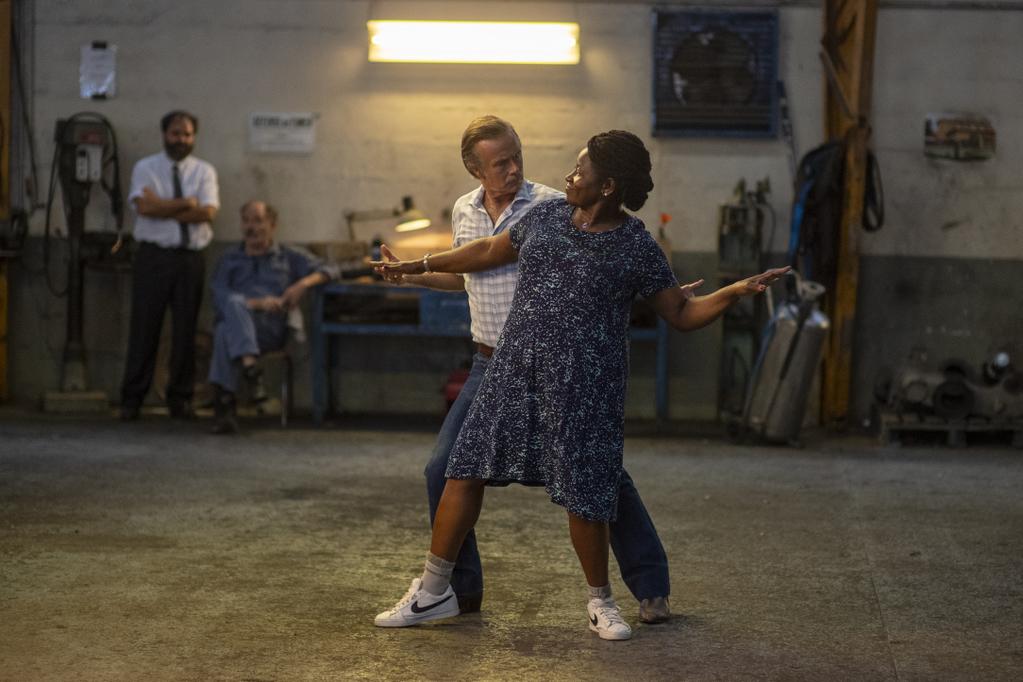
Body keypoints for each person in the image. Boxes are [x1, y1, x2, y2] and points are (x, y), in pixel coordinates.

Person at [373, 129, 788, 640]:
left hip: (583, 384)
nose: (569, 176)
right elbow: (486, 251)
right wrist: (417, 266)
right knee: (459, 469)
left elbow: (680, 311)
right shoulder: (546, 217)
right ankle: (435, 590)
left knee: (589, 490)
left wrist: (733, 292)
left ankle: (603, 602)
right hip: (511, 368)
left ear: (608, 185)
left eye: (580, 170)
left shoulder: (635, 244)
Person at [378, 115, 676, 625]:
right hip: (489, 363)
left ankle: (649, 584)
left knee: (599, 476)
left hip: (550, 365)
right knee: (445, 470)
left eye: (517, 156)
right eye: (500, 163)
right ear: (476, 169)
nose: (514, 169)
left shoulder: (551, 207)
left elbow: (605, 268)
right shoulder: (463, 212)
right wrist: (418, 274)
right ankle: (458, 592)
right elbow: (473, 273)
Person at [119, 110, 220, 421]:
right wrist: (186, 204)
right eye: (176, 134)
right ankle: (132, 399)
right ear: (164, 134)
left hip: (190, 258)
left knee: (186, 331)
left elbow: (207, 213)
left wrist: (162, 208)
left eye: (187, 134)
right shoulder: (146, 168)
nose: (182, 140)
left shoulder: (204, 171)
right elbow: (143, 207)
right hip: (154, 257)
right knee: (144, 328)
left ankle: (180, 399)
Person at [207, 200, 338, 434]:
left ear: (272, 224)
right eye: (246, 221)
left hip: (269, 331)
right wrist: (256, 303)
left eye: (258, 221)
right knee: (228, 320)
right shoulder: (229, 259)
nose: (251, 227)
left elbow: (331, 269)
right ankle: (250, 370)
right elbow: (219, 297)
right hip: (237, 327)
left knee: (227, 327)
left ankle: (225, 407)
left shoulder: (288, 256)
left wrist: (302, 285)